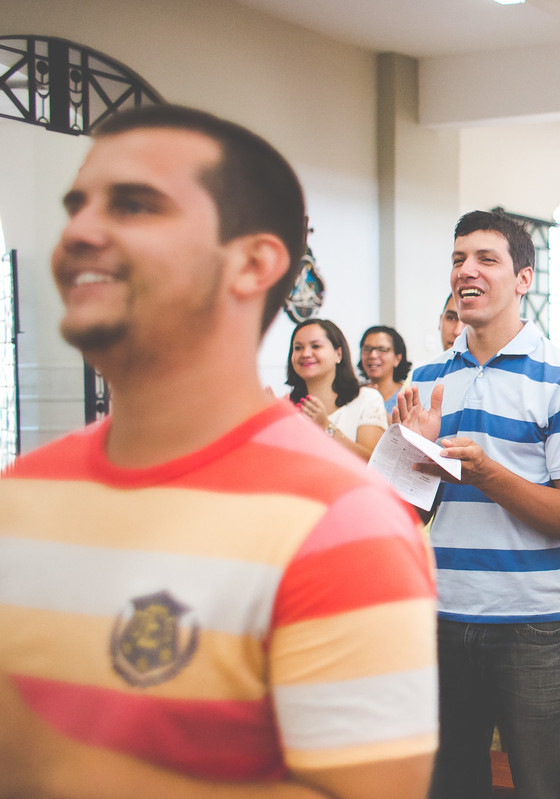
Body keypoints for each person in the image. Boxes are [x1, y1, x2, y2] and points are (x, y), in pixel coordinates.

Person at [0, 105, 435, 797]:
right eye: (77, 205)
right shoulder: (23, 493)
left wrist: (45, 765)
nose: (78, 231)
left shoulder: (340, 522)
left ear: (252, 263)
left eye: (134, 205)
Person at [400, 210, 560, 799]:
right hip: (441, 614)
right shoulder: (426, 378)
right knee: (448, 786)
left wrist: (488, 473)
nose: (467, 270)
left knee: (541, 787)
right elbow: (409, 517)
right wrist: (412, 460)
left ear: (523, 279)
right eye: (458, 259)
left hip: (530, 624)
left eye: (486, 259)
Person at [287, 318, 387, 460]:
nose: (305, 354)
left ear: (338, 354)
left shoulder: (366, 399)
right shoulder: (287, 407)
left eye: (315, 346)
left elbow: (372, 463)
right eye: (298, 348)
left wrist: (327, 427)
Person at [358, 324, 411, 414]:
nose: (372, 355)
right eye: (367, 349)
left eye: (382, 349)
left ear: (397, 358)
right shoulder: (356, 394)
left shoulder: (408, 395)